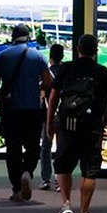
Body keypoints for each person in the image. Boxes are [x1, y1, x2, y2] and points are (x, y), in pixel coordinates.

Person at [46, 34, 107, 213]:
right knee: (89, 170)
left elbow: (53, 98)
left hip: (67, 124)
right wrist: (105, 118)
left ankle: (66, 203)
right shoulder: (103, 72)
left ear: (77, 49)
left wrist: (50, 121)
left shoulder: (66, 68)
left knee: (63, 165)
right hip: (92, 126)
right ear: (95, 50)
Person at [0, 24, 52, 202]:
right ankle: (27, 171)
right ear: (28, 37)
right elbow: (48, 83)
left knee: (13, 149)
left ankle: (16, 188)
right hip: (32, 109)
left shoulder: (0, 57)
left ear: (12, 36)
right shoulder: (37, 56)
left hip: (10, 111)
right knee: (33, 147)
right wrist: (38, 89)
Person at [39, 43, 65, 191]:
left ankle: (45, 179)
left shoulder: (45, 73)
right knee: (61, 148)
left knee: (46, 147)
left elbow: (40, 94)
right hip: (62, 115)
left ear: (50, 57)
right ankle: (59, 179)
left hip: (47, 114)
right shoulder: (67, 72)